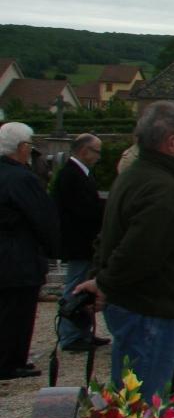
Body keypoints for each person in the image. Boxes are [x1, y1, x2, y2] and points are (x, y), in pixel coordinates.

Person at [80, 101, 174, 399]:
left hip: (141, 308)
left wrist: (101, 278)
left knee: (131, 402)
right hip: (150, 311)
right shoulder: (158, 187)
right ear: (171, 142)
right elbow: (139, 250)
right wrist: (103, 282)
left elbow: (108, 237)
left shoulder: (136, 176)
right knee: (142, 408)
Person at [0, 122, 58, 379]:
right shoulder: (21, 178)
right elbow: (41, 215)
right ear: (22, 148)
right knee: (18, 312)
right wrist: (54, 246)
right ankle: (11, 361)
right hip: (18, 254)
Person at [51, 133, 110, 355]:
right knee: (75, 287)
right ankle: (70, 334)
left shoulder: (80, 174)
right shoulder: (71, 175)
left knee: (84, 287)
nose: (99, 156)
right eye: (97, 151)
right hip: (79, 242)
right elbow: (83, 211)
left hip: (84, 242)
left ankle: (83, 332)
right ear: (84, 151)